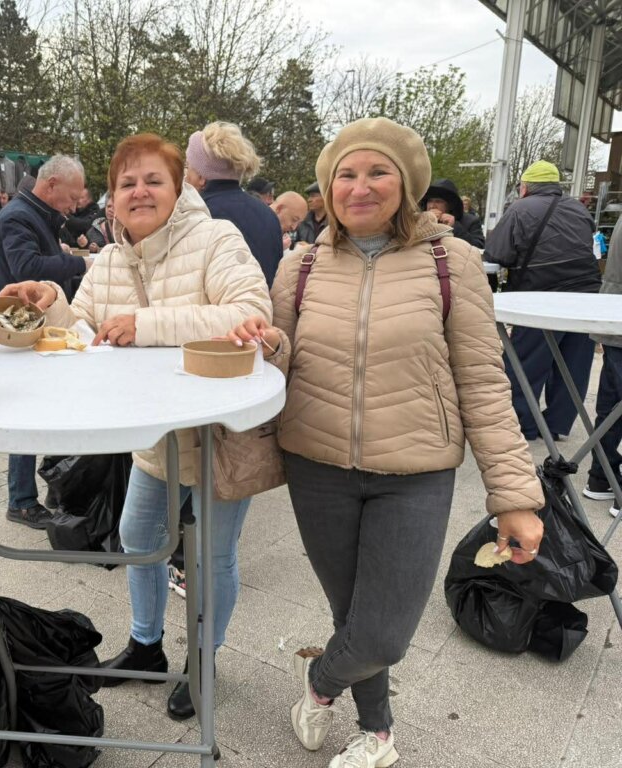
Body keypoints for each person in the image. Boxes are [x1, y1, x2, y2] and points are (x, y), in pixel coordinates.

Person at [228, 117, 544, 768]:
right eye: (345, 173)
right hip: (317, 465)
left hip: (417, 471)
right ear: (328, 187)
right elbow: (276, 366)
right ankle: (378, 732)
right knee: (352, 611)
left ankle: (318, 685)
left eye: (378, 172)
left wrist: (514, 496)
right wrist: (268, 346)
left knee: (383, 632)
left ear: (406, 184)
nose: (360, 187)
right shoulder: (301, 265)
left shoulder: (450, 262)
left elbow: (485, 381)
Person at [0, 133, 271, 722]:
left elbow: (250, 313)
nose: (139, 191)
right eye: (127, 183)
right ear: (113, 198)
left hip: (220, 432)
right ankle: (147, 647)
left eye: (153, 179)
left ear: (179, 189)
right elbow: (85, 332)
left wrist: (143, 324)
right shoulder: (111, 259)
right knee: (139, 537)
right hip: (157, 439)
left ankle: (203, 660)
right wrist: (52, 301)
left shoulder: (217, 238)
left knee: (213, 556)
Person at [0, 154, 89, 530]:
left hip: (35, 328)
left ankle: (48, 488)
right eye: (72, 196)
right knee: (25, 415)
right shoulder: (18, 216)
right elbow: (26, 270)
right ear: (50, 186)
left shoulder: (35, 214)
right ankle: (22, 500)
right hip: (20, 332)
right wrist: (80, 263)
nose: (75, 204)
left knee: (45, 410)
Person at [485, 160, 602, 441]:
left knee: (526, 361)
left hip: (540, 294)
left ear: (525, 187)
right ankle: (557, 424)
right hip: (586, 294)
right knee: (574, 362)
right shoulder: (579, 208)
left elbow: (497, 253)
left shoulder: (520, 209)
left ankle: (522, 423)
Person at [185, 121, 283, 284]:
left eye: (188, 167)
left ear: (202, 177)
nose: (186, 175)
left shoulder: (199, 215)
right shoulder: (269, 215)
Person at [582, 225, 622, 517]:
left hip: (613, 313)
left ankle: (602, 475)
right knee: (612, 406)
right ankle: (605, 478)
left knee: (612, 407)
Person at [420, 178, 485, 249]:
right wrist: (423, 222)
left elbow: (479, 247)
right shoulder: (419, 220)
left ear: (450, 205)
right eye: (430, 201)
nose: (432, 206)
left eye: (438, 201)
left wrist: (455, 226)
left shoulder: (470, 221)